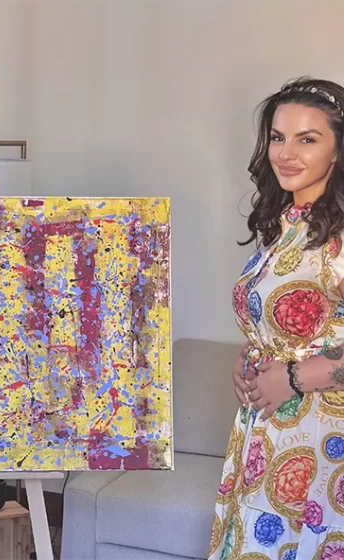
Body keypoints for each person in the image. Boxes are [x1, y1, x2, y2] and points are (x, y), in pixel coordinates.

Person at [209, 77, 344, 560]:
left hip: (325, 438)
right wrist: (252, 354)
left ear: (337, 150)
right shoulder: (287, 224)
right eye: (278, 137)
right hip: (266, 434)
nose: (286, 153)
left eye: (307, 139)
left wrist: (295, 376)